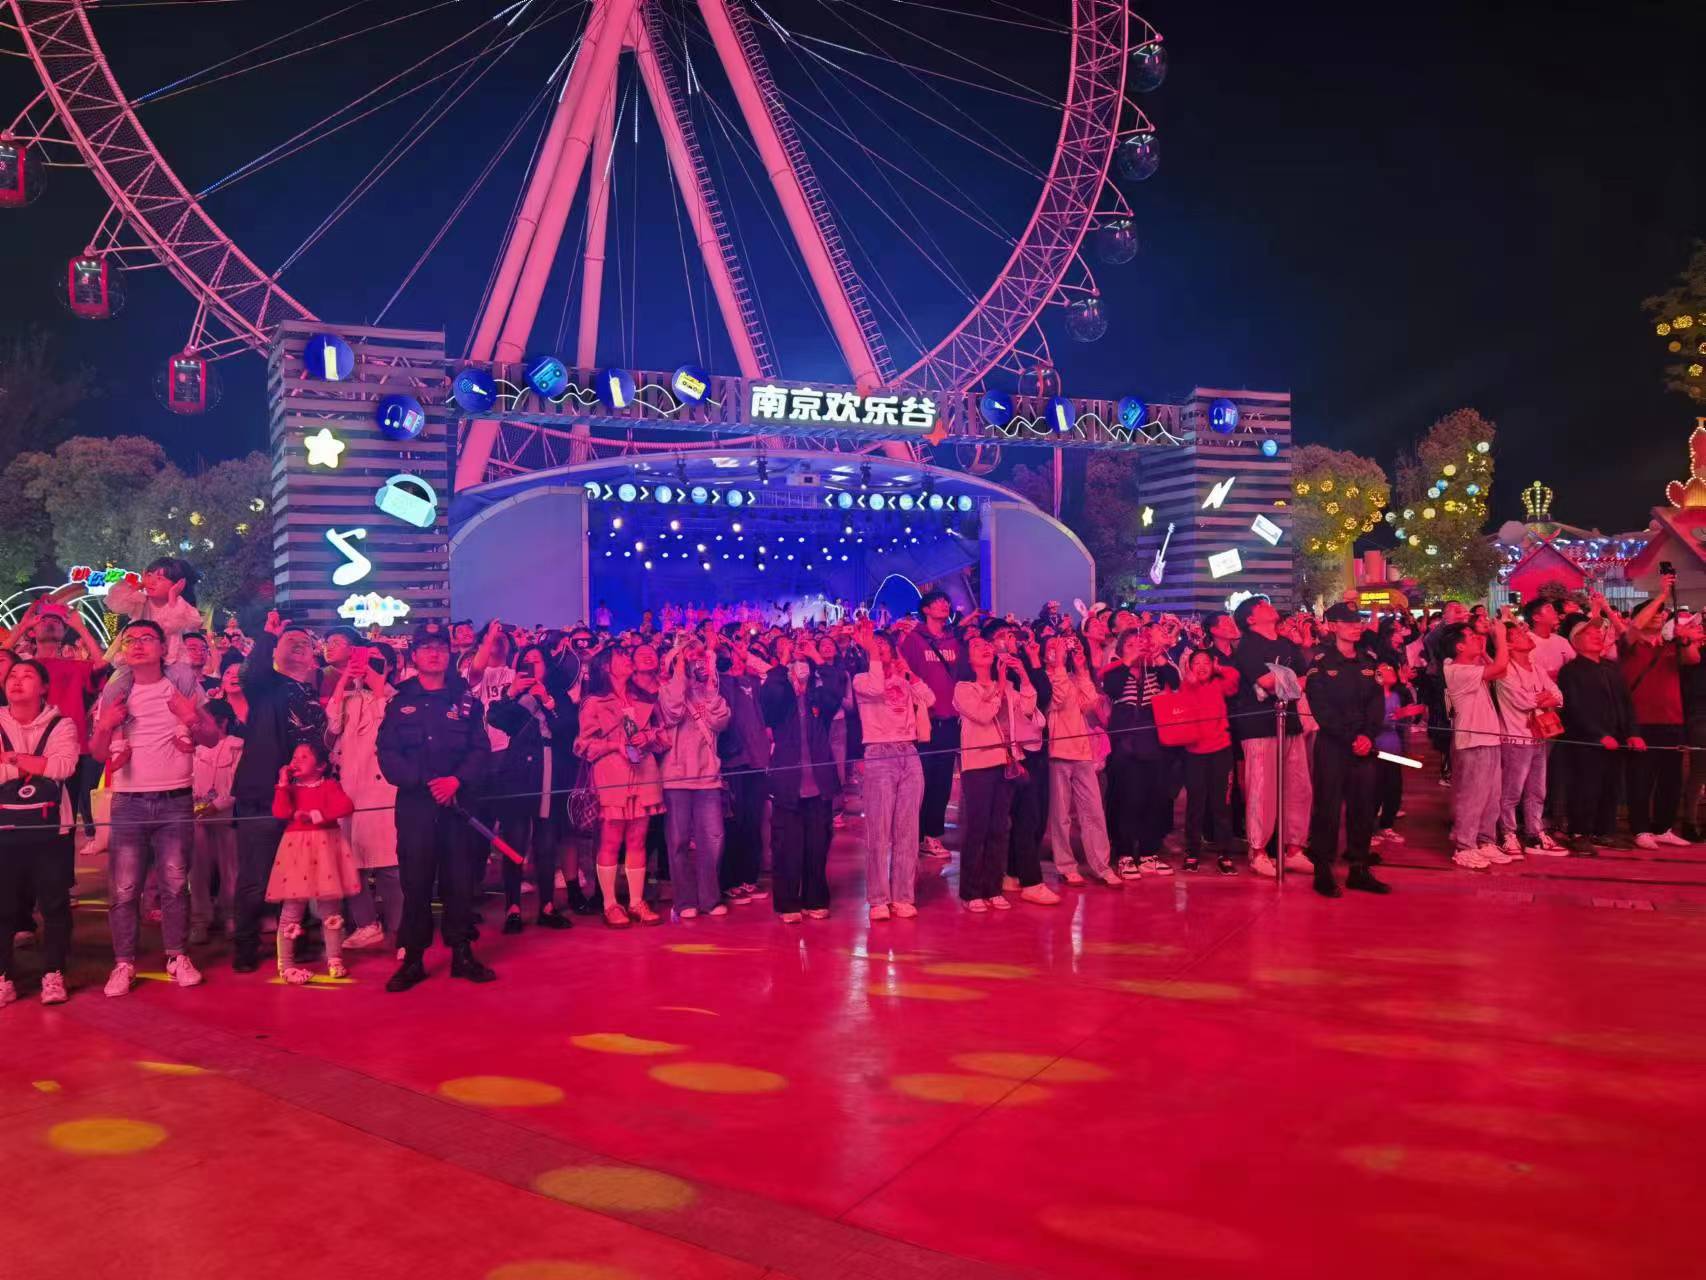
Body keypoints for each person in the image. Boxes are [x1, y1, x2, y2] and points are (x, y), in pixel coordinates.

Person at [89, 619, 221, 997]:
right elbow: (98, 754)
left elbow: (212, 737)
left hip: (175, 798)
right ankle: (124, 962)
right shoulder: (116, 692)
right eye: (129, 640)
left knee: (176, 884)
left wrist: (190, 717)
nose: (137, 645)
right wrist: (105, 726)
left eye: (147, 639)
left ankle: (177, 956)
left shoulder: (181, 685)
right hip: (128, 800)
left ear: (164, 648)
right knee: (124, 888)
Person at [377, 623, 496, 990]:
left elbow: (480, 750)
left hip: (458, 805)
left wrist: (456, 781)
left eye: (440, 648)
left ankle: (462, 952)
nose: (434, 653)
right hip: (416, 808)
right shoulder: (399, 701)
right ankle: (413, 958)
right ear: (414, 655)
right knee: (416, 883)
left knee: (460, 881)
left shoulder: (466, 701)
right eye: (426, 647)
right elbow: (387, 753)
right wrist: (423, 782)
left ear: (449, 654)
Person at [229, 612, 326, 974]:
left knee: (300, 876)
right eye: (291, 642)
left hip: (306, 796)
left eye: (305, 644)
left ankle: (295, 939)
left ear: (313, 656)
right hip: (262, 795)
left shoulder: (311, 696)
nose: (299, 647)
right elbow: (250, 674)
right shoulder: (265, 685)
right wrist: (268, 636)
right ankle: (246, 943)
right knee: (255, 877)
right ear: (276, 652)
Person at [0, 660, 80, 1008]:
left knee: (55, 904)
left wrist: (10, 759)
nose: (17, 681)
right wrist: (33, 764)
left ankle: (53, 973)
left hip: (52, 829)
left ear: (44, 687)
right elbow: (49, 767)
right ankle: (3, 977)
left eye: (27, 675)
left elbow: (64, 767)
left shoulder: (62, 724)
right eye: (12, 676)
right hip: (4, 829)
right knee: (2, 905)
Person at [486, 643, 578, 932]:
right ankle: (513, 908)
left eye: (537, 661)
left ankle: (547, 905)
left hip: (551, 771)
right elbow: (495, 719)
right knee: (514, 840)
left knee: (547, 841)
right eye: (526, 662)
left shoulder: (558, 695)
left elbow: (568, 729)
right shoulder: (514, 695)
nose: (532, 666)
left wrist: (547, 701)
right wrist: (512, 693)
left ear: (547, 666)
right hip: (517, 771)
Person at [575, 646, 666, 928]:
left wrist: (647, 738)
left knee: (638, 839)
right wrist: (616, 745)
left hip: (644, 774)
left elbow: (664, 737)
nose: (628, 659)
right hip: (611, 777)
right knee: (611, 840)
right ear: (606, 666)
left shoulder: (644, 698)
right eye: (622, 656)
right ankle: (610, 904)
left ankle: (636, 902)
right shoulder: (594, 702)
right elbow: (583, 745)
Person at [1303, 604, 1389, 897]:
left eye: (1358, 621)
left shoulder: (1369, 660)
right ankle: (1323, 868)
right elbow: (1321, 709)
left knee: (1363, 808)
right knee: (1327, 808)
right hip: (1333, 745)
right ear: (1333, 626)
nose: (1356, 626)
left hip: (1363, 746)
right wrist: (1352, 737)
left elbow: (1376, 703)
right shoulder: (1320, 662)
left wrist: (1367, 736)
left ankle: (1359, 867)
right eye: (1349, 622)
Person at [851, 622, 933, 920]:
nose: (881, 648)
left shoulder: (902, 678)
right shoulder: (861, 679)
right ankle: (878, 898)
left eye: (884, 644)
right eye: (876, 644)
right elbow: (875, 688)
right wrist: (872, 652)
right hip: (878, 753)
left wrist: (909, 673)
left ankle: (903, 895)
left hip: (909, 752)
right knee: (879, 830)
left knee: (907, 830)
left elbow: (930, 699)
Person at [953, 635, 1037, 911]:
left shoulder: (1007, 687)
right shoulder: (963, 689)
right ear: (968, 659)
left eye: (987, 645)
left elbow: (1028, 709)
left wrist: (1023, 675)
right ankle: (971, 892)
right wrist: (1000, 686)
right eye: (977, 646)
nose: (985, 648)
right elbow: (983, 715)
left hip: (1005, 763)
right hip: (977, 765)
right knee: (977, 828)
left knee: (1000, 828)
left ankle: (993, 888)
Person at [325, 641, 401, 949]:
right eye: (364, 660)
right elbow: (332, 729)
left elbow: (392, 734)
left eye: (377, 661)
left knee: (389, 866)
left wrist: (379, 689)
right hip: (351, 791)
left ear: (391, 666)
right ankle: (366, 924)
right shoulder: (349, 698)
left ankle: (400, 931)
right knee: (351, 863)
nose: (368, 667)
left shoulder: (397, 698)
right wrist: (345, 678)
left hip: (384, 792)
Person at [761, 639, 843, 923]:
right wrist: (782, 663)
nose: (800, 671)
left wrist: (817, 659)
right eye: (795, 667)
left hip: (819, 783)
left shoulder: (818, 698)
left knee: (818, 845)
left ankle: (815, 898)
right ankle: (787, 903)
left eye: (803, 665)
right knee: (786, 846)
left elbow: (835, 692)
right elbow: (769, 698)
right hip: (788, 783)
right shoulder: (780, 698)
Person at [1230, 596, 1312, 877]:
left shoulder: (1286, 644)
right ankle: (1258, 851)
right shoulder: (1247, 646)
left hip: (1291, 722)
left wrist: (1282, 680)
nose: (1269, 606)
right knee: (1262, 789)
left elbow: (1306, 678)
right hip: (1258, 726)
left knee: (1298, 787)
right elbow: (1267, 683)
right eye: (1261, 605)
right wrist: (1286, 682)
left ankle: (1294, 849)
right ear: (1251, 619)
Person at [267, 740, 360, 983]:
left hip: (325, 850)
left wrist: (316, 815)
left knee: (330, 907)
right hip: (297, 852)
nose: (296, 761)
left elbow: (346, 806)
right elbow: (280, 811)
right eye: (294, 756)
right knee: (292, 908)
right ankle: (286, 964)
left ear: (320, 766)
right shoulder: (290, 789)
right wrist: (282, 784)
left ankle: (334, 958)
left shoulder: (329, 786)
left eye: (304, 757)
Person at [1618, 577, 1697, 848]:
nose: (1659, 615)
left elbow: (1693, 659)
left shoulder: (1670, 646)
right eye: (1653, 612)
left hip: (1673, 721)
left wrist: (1685, 639)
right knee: (1641, 778)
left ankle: (1663, 827)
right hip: (1641, 721)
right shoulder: (1630, 645)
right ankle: (1640, 829)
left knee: (1671, 779)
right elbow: (1635, 626)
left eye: (1662, 613)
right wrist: (1662, 595)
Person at [656, 636, 731, 919]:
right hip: (676, 777)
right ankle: (684, 901)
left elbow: (721, 720)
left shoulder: (709, 691)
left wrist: (710, 685)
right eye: (689, 659)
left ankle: (709, 899)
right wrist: (678, 669)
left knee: (713, 838)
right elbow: (673, 712)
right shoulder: (666, 690)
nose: (695, 663)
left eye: (699, 658)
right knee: (677, 841)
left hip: (708, 776)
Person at [1557, 621, 1643, 855]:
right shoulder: (1570, 671)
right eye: (1589, 633)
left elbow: (1626, 703)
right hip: (1586, 742)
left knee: (1611, 787)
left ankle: (1604, 832)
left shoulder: (1611, 668)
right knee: (1585, 787)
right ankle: (1579, 833)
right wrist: (1598, 734)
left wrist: (1632, 733)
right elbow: (1574, 708)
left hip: (1616, 739)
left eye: (1598, 632)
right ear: (1575, 642)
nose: (1597, 635)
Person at [1101, 627, 1180, 878]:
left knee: (1155, 795)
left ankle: (1148, 852)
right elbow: (1112, 690)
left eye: (1141, 642)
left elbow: (1175, 681)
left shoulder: (1155, 669)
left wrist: (1157, 655)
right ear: (1121, 650)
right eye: (1131, 644)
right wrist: (1128, 661)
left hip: (1153, 735)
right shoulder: (1115, 670)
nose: (1138, 646)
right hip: (1125, 738)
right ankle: (1124, 854)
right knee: (1127, 796)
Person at [1044, 633, 1121, 889]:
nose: (1058, 650)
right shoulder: (1044, 678)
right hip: (1057, 752)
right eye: (1052, 647)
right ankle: (1066, 866)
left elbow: (1089, 703)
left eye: (1060, 646)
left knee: (1093, 811)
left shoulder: (1071, 677)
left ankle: (1102, 865)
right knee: (1061, 816)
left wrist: (1081, 670)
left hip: (1082, 751)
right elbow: (1058, 699)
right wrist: (1059, 666)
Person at [1441, 614, 1512, 869]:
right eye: (1471, 637)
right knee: (1473, 796)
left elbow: (1501, 671)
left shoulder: (1470, 667)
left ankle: (1485, 841)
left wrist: (1482, 651)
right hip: (1473, 741)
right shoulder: (1456, 670)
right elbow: (1501, 667)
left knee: (1491, 796)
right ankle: (1464, 846)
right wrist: (1499, 637)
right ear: (1459, 646)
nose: (1478, 638)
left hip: (1488, 738)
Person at [896, 591, 962, 858]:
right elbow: (903, 673)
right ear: (925, 609)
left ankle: (931, 835)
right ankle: (912, 835)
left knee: (943, 782)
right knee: (919, 781)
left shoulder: (954, 640)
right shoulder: (914, 639)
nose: (944, 605)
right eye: (938, 602)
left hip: (950, 720)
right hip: (924, 721)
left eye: (946, 602)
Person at [1493, 618, 1566, 856]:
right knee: (1511, 792)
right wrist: (1545, 697)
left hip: (1539, 736)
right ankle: (1508, 833)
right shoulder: (1505, 671)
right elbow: (1523, 702)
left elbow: (1559, 695)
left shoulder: (1536, 667)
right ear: (1508, 645)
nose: (1526, 635)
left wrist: (1545, 697)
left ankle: (1534, 832)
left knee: (1537, 790)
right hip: (1515, 738)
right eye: (1519, 635)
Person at [1174, 648, 1239, 874]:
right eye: (1196, 663)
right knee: (1196, 804)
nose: (1201, 666)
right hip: (1194, 753)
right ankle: (1192, 852)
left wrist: (1220, 668)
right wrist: (1188, 680)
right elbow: (1182, 700)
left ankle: (1225, 853)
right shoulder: (1187, 686)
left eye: (1206, 662)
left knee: (1222, 804)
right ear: (1189, 667)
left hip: (1221, 751)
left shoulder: (1219, 684)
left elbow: (1234, 677)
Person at [716, 639, 771, 905]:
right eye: (731, 655)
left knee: (753, 822)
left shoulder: (752, 683)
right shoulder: (719, 683)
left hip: (757, 760)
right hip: (733, 762)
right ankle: (730, 881)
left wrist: (747, 655)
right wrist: (715, 653)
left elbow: (772, 674)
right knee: (733, 823)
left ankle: (749, 878)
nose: (736, 658)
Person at [189, 698, 242, 944]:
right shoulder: (194, 748)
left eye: (205, 721)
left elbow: (238, 784)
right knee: (198, 870)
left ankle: (231, 915)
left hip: (227, 816)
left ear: (222, 722)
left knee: (230, 868)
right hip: (198, 816)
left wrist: (218, 805)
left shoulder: (237, 747)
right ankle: (200, 919)